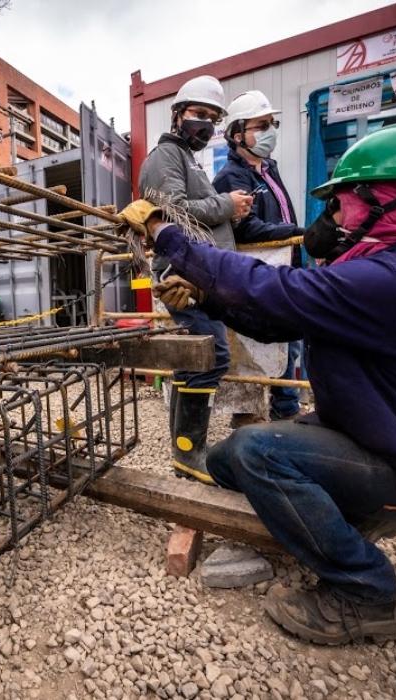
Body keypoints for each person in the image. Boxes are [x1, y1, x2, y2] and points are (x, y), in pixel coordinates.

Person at [119, 123, 396, 645]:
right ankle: (330, 521)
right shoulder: (387, 268)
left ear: (391, 201)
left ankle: (368, 592)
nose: (333, 219)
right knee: (224, 460)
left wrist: (165, 232)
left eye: (343, 204)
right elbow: (274, 321)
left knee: (259, 451)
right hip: (379, 437)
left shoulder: (386, 279)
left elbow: (269, 288)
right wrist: (205, 300)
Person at [137, 75, 253, 484]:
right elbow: (174, 211)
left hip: (200, 275)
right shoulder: (164, 158)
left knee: (194, 362)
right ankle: (189, 453)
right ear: (178, 114)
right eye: (198, 114)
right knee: (211, 356)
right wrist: (227, 203)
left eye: (212, 118)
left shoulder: (186, 159)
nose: (205, 124)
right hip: (182, 276)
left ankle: (185, 453)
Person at [213, 90, 304, 421]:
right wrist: (298, 234)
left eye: (272, 124)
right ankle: (246, 415)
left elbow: (279, 217)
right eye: (261, 125)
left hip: (283, 267)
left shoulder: (268, 169)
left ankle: (286, 411)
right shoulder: (230, 178)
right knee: (251, 346)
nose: (270, 131)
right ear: (238, 135)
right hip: (256, 271)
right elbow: (246, 229)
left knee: (289, 342)